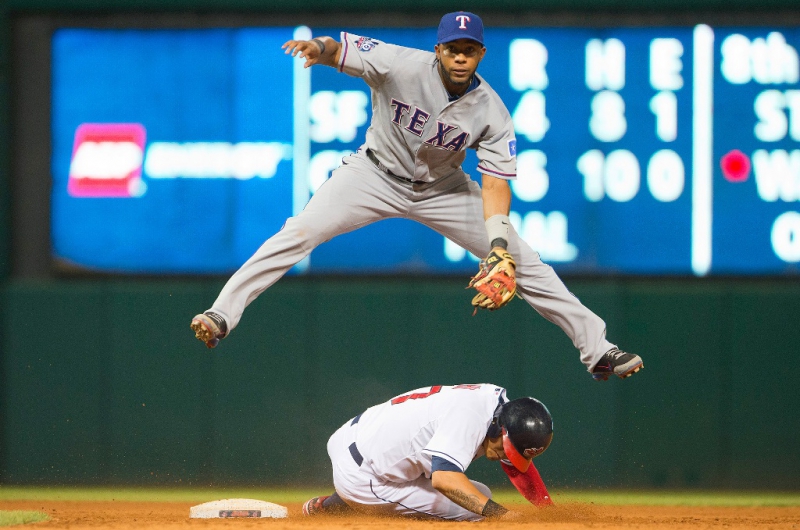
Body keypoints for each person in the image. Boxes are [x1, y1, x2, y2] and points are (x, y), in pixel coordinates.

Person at [190, 11, 643, 381]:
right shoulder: (401, 63)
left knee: (527, 265)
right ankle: (221, 314)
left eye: (469, 50)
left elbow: (494, 184)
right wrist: (319, 49)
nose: (461, 57)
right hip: (372, 174)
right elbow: (340, 50)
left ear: (481, 54)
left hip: (442, 190)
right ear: (438, 49)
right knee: (299, 231)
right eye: (453, 49)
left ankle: (598, 350)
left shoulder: (493, 111)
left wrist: (499, 247)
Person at [301, 383, 554, 520]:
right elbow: (444, 480)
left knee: (476, 494)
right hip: (365, 476)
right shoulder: (469, 418)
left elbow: (516, 463)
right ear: (501, 430)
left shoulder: (499, 412)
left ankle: (332, 505)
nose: (507, 458)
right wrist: (503, 515)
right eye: (507, 451)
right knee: (472, 507)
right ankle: (349, 503)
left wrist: (549, 511)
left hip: (358, 439)